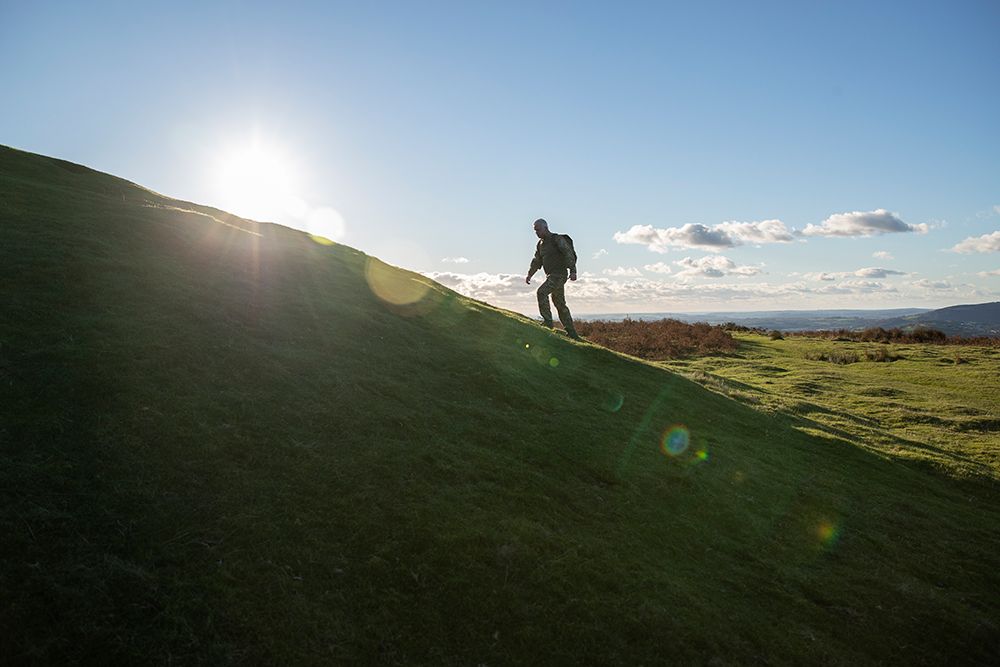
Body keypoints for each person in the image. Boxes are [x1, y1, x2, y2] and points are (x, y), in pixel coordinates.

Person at [526, 218, 580, 339]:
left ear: (545, 228)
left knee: (541, 292)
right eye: (535, 231)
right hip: (551, 275)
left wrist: (573, 271)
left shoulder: (557, 239)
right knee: (559, 303)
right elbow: (537, 261)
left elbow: (568, 253)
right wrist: (530, 274)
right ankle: (572, 332)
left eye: (538, 230)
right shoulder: (540, 244)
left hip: (560, 274)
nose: (537, 233)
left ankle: (548, 323)